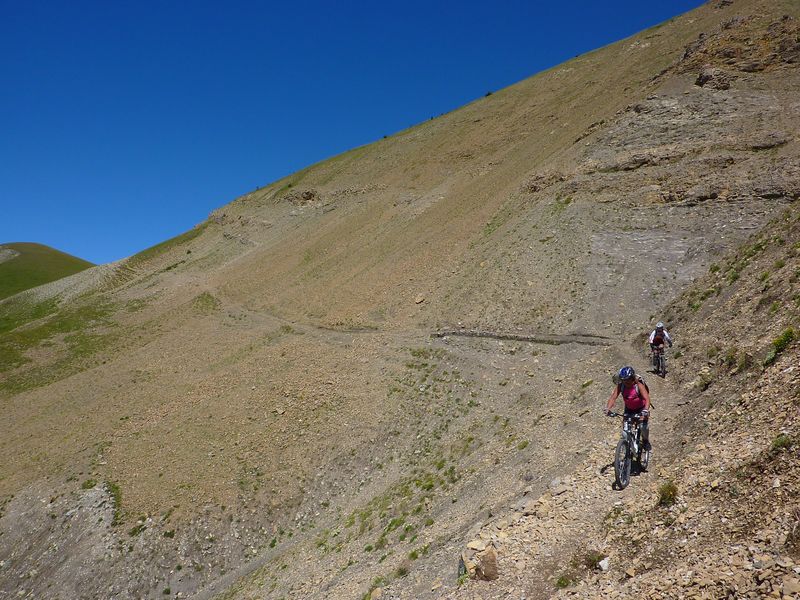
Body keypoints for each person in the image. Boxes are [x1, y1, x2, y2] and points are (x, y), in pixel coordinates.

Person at [605, 366, 651, 451]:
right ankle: (627, 447)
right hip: (629, 408)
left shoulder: (638, 385)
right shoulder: (621, 386)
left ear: (632, 378)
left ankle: (645, 441)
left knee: (643, 426)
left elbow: (647, 398)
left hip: (641, 408)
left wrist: (645, 410)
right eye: (623, 380)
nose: (626, 382)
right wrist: (608, 408)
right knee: (625, 431)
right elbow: (613, 398)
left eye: (627, 379)